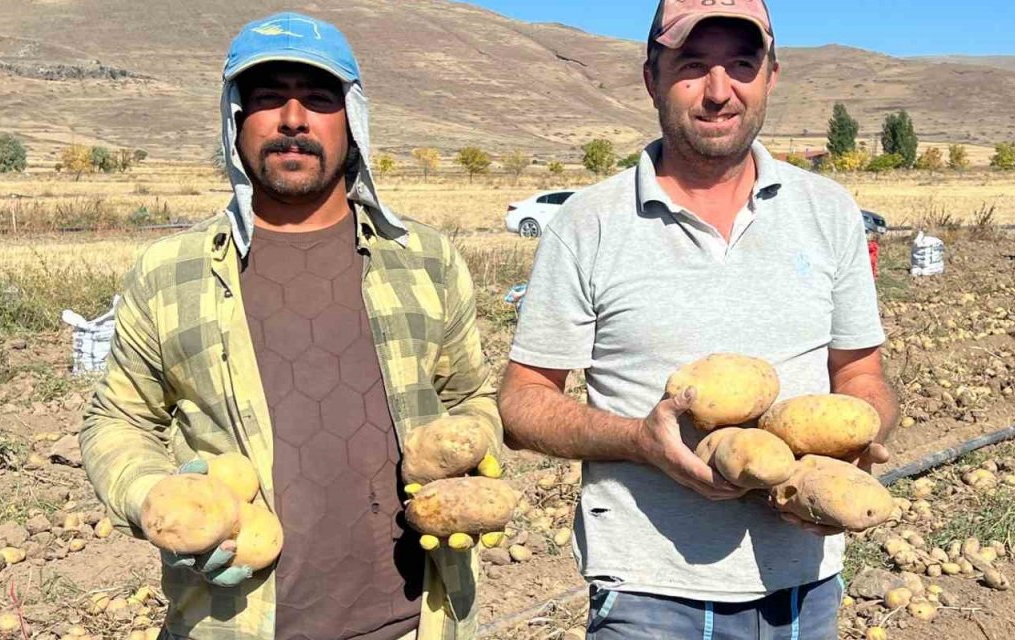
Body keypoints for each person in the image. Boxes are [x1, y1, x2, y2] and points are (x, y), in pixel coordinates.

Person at [79, 12, 501, 640]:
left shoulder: (427, 260)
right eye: (269, 97)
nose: (294, 119)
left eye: (319, 98)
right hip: (234, 622)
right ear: (236, 119)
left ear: (351, 120)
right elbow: (117, 419)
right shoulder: (170, 272)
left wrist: (468, 451)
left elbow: (472, 396)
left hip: (415, 622)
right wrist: (152, 497)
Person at [497, 1, 899, 638]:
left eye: (742, 64)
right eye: (691, 65)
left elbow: (862, 374)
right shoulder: (588, 222)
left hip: (803, 586)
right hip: (648, 598)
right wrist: (640, 443)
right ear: (651, 76)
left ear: (771, 74)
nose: (719, 92)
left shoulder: (828, 210)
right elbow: (523, 402)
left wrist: (857, 445)